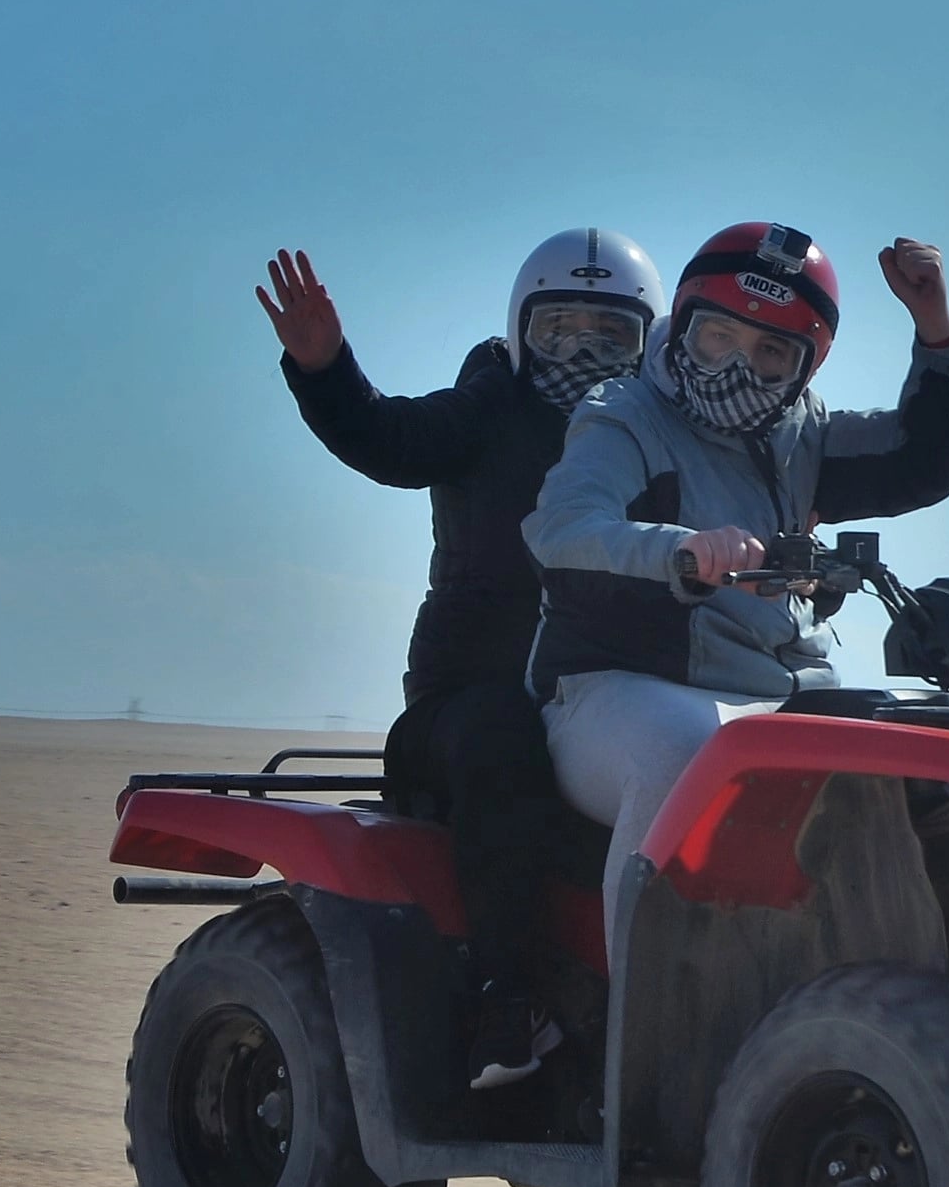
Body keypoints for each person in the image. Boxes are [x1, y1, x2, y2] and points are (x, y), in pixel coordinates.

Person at [259, 226, 665, 1090]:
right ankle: (507, 1004)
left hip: (603, 697)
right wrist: (326, 370)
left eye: (609, 336)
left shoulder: (656, 439)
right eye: (559, 330)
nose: (580, 355)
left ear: (650, 342)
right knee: (501, 735)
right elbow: (390, 437)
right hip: (463, 705)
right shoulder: (489, 408)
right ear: (521, 330)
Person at [522, 222, 949, 952]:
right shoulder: (624, 413)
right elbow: (564, 526)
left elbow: (925, 456)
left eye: (772, 352)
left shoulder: (803, 432)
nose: (736, 368)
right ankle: (652, 1009)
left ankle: (938, 977)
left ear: (806, 367)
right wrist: (682, 550)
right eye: (719, 337)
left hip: (777, 688)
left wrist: (937, 331)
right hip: (615, 687)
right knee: (683, 753)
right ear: (684, 320)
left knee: (935, 756)